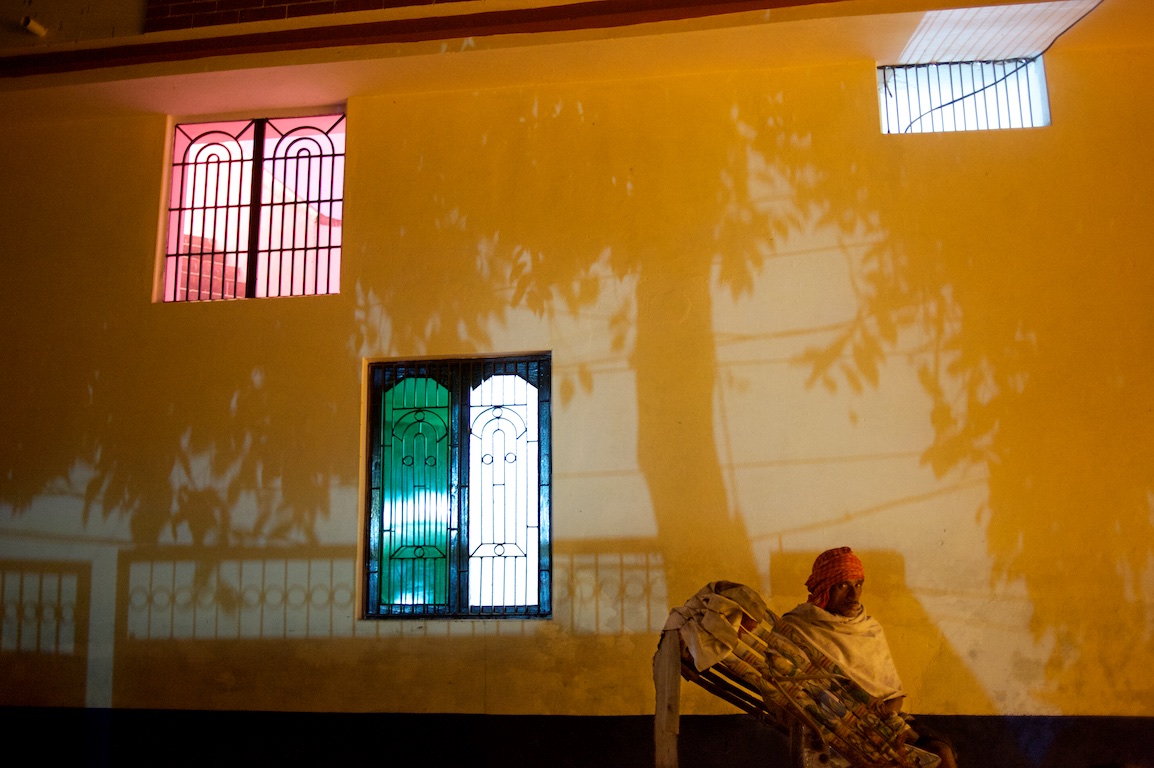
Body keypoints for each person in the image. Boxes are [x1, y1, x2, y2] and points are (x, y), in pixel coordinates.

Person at [781, 547, 959, 768]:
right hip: (832, 729)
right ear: (825, 588)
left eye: (858, 584)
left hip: (883, 722)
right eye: (843, 585)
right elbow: (789, 694)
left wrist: (881, 721)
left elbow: (893, 694)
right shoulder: (797, 628)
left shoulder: (870, 628)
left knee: (941, 751)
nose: (854, 595)